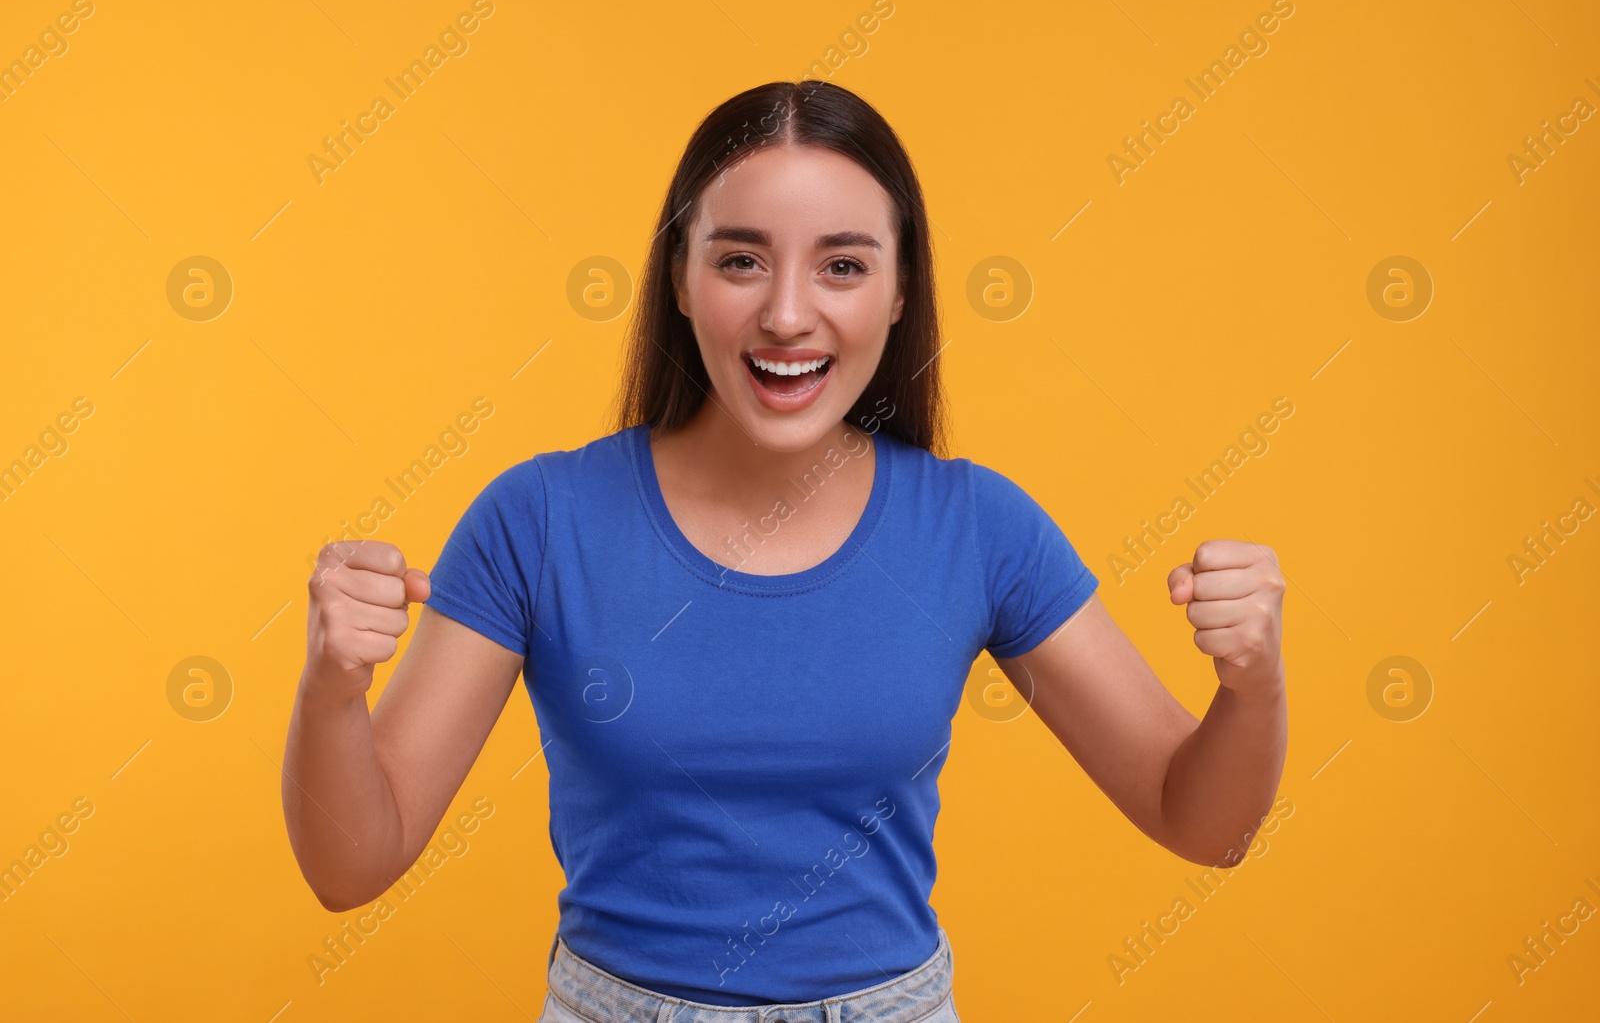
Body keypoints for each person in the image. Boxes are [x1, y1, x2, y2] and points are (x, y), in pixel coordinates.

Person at [281, 80, 1288, 1023]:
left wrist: (1251, 685)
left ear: (899, 295)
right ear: (679, 277)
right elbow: (350, 868)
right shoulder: (536, 519)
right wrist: (331, 687)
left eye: (843, 264)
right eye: (740, 258)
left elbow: (1203, 824)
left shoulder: (978, 527)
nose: (788, 313)